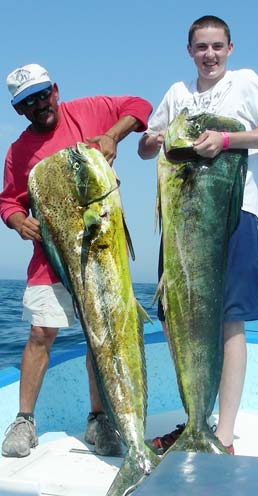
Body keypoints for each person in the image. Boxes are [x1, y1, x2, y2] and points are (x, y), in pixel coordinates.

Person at [138, 15, 258, 455]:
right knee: (180, 316)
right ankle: (195, 423)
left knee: (229, 318)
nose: (209, 55)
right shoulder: (176, 93)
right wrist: (155, 138)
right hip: (182, 220)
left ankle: (222, 434)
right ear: (189, 50)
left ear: (230, 48)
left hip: (233, 213)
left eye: (217, 47)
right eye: (201, 47)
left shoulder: (245, 82)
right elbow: (146, 147)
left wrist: (226, 140)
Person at [0, 63, 152, 458]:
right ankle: (24, 420)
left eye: (43, 94)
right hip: (50, 257)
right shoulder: (18, 152)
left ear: (55, 89)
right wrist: (19, 221)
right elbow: (9, 200)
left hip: (99, 251)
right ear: (19, 110)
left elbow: (140, 105)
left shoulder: (87, 110)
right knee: (39, 334)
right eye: (28, 102)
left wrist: (113, 134)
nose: (39, 105)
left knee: (101, 336)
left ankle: (99, 419)